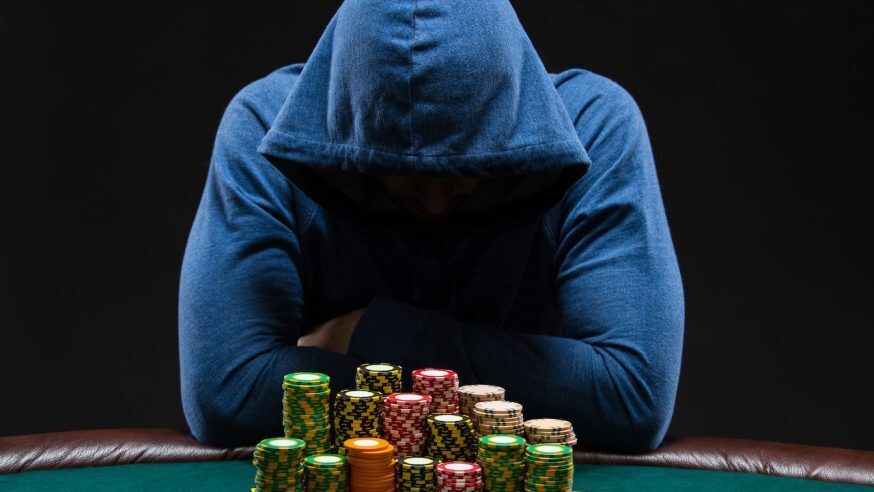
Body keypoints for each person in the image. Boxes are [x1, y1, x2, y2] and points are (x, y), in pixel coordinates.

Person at [178, 0, 684, 453]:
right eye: (401, 170)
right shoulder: (265, 130)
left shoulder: (595, 128)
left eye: (466, 168)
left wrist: (371, 332)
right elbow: (229, 393)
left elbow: (631, 397)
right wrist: (548, 384)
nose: (436, 202)